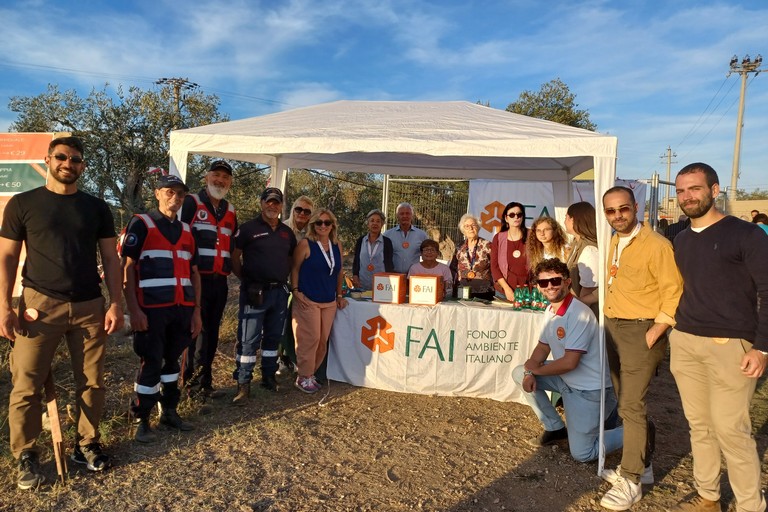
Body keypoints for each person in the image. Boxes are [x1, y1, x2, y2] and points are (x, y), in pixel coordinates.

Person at [0, 136, 124, 489]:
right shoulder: (23, 204)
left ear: (83, 166)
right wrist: (4, 306)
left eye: (76, 159)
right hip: (38, 307)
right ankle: (26, 454)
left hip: (89, 307)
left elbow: (111, 258)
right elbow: (7, 257)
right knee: (27, 384)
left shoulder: (96, 208)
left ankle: (85, 444)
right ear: (48, 159)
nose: (68, 163)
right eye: (62, 157)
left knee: (93, 382)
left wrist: (116, 302)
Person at [667, 163, 768, 512]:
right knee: (699, 426)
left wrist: (762, 348)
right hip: (686, 342)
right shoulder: (680, 238)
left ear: (714, 190)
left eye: (694, 188)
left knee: (731, 430)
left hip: (731, 345)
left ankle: (750, 505)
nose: (687, 197)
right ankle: (708, 496)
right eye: (681, 190)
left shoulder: (746, 235)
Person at [598, 185, 683, 511]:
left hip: (641, 330)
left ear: (636, 207)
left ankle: (631, 479)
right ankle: (643, 466)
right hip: (614, 327)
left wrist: (656, 331)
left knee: (631, 406)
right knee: (627, 403)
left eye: (623, 209)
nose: (617, 215)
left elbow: (674, 291)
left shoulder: (657, 245)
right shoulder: (613, 241)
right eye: (610, 211)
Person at [511, 259, 622, 462]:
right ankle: (556, 429)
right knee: (519, 373)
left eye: (555, 280)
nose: (550, 286)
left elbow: (570, 362)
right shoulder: (550, 310)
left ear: (567, 282)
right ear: (538, 286)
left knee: (582, 454)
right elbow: (543, 347)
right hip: (567, 380)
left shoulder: (579, 313)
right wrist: (528, 372)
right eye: (544, 283)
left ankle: (635, 432)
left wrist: (535, 371)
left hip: (588, 390)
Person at [122, 174, 202, 443]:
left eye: (180, 194)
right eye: (169, 192)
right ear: (157, 194)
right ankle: (142, 419)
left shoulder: (188, 231)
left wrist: (196, 312)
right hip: (152, 310)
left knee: (172, 363)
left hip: (182, 309)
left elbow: (194, 273)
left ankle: (169, 411)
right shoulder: (142, 223)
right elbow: (127, 269)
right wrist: (134, 310)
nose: (175, 198)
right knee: (151, 363)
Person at [231, 187, 296, 403]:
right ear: (261, 203)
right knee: (249, 340)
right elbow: (235, 257)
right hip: (254, 292)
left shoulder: (287, 232)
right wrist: (246, 279)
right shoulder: (248, 229)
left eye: (276, 202)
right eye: (269, 201)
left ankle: (268, 377)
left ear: (281, 206)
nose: (272, 206)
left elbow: (290, 258)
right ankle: (243, 384)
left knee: (273, 338)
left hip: (278, 293)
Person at [180, 160, 237, 401]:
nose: (220, 180)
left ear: (230, 183)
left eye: (225, 177)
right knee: (194, 331)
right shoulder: (192, 202)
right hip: (196, 279)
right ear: (206, 177)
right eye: (216, 175)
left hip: (220, 281)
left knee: (211, 333)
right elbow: (180, 237)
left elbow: (233, 244)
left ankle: (206, 383)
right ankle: (189, 384)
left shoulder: (230, 209)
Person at [291, 209, 348, 393]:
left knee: (323, 340)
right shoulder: (305, 244)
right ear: (313, 225)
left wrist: (339, 295)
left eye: (327, 222)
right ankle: (303, 376)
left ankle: (310, 373)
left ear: (333, 225)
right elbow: (295, 269)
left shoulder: (336, 245)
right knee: (310, 338)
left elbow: (339, 272)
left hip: (329, 300)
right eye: (319, 223)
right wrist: (296, 291)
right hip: (309, 299)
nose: (323, 226)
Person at [278, 195, 315, 376]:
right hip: (282, 282)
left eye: (307, 211)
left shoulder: (311, 233)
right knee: (281, 322)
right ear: (293, 209)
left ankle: (292, 357)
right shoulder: (282, 228)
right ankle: (279, 359)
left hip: (303, 283)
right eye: (299, 209)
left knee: (298, 323)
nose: (302, 213)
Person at [564, 202, 599, 316]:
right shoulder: (577, 243)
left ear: (572, 220)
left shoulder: (589, 249)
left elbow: (588, 289)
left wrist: (575, 312)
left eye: (566, 217)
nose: (564, 221)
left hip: (586, 312)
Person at [490, 202, 529, 300]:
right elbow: (494, 267)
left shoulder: (531, 236)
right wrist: (507, 289)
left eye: (519, 214)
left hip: (528, 291)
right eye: (512, 215)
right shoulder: (498, 238)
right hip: (504, 292)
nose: (516, 217)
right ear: (506, 218)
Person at [450, 213, 494, 300]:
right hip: (462, 288)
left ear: (478, 227)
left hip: (484, 290)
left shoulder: (488, 245)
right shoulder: (459, 246)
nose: (470, 228)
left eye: (473, 225)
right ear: (463, 230)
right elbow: (453, 268)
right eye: (467, 226)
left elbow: (495, 267)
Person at [351, 208, 394, 291]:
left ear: (382, 224)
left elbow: (389, 264)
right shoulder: (361, 240)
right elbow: (356, 260)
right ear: (368, 223)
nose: (375, 223)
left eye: (378, 221)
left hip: (381, 285)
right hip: (362, 284)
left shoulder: (387, 242)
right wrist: (355, 275)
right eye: (372, 221)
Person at [383, 202, 428, 274]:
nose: (405, 216)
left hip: (414, 276)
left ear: (412, 216)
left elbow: (427, 256)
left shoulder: (422, 235)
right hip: (393, 276)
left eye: (407, 213)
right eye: (401, 214)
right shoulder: (387, 235)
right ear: (397, 216)